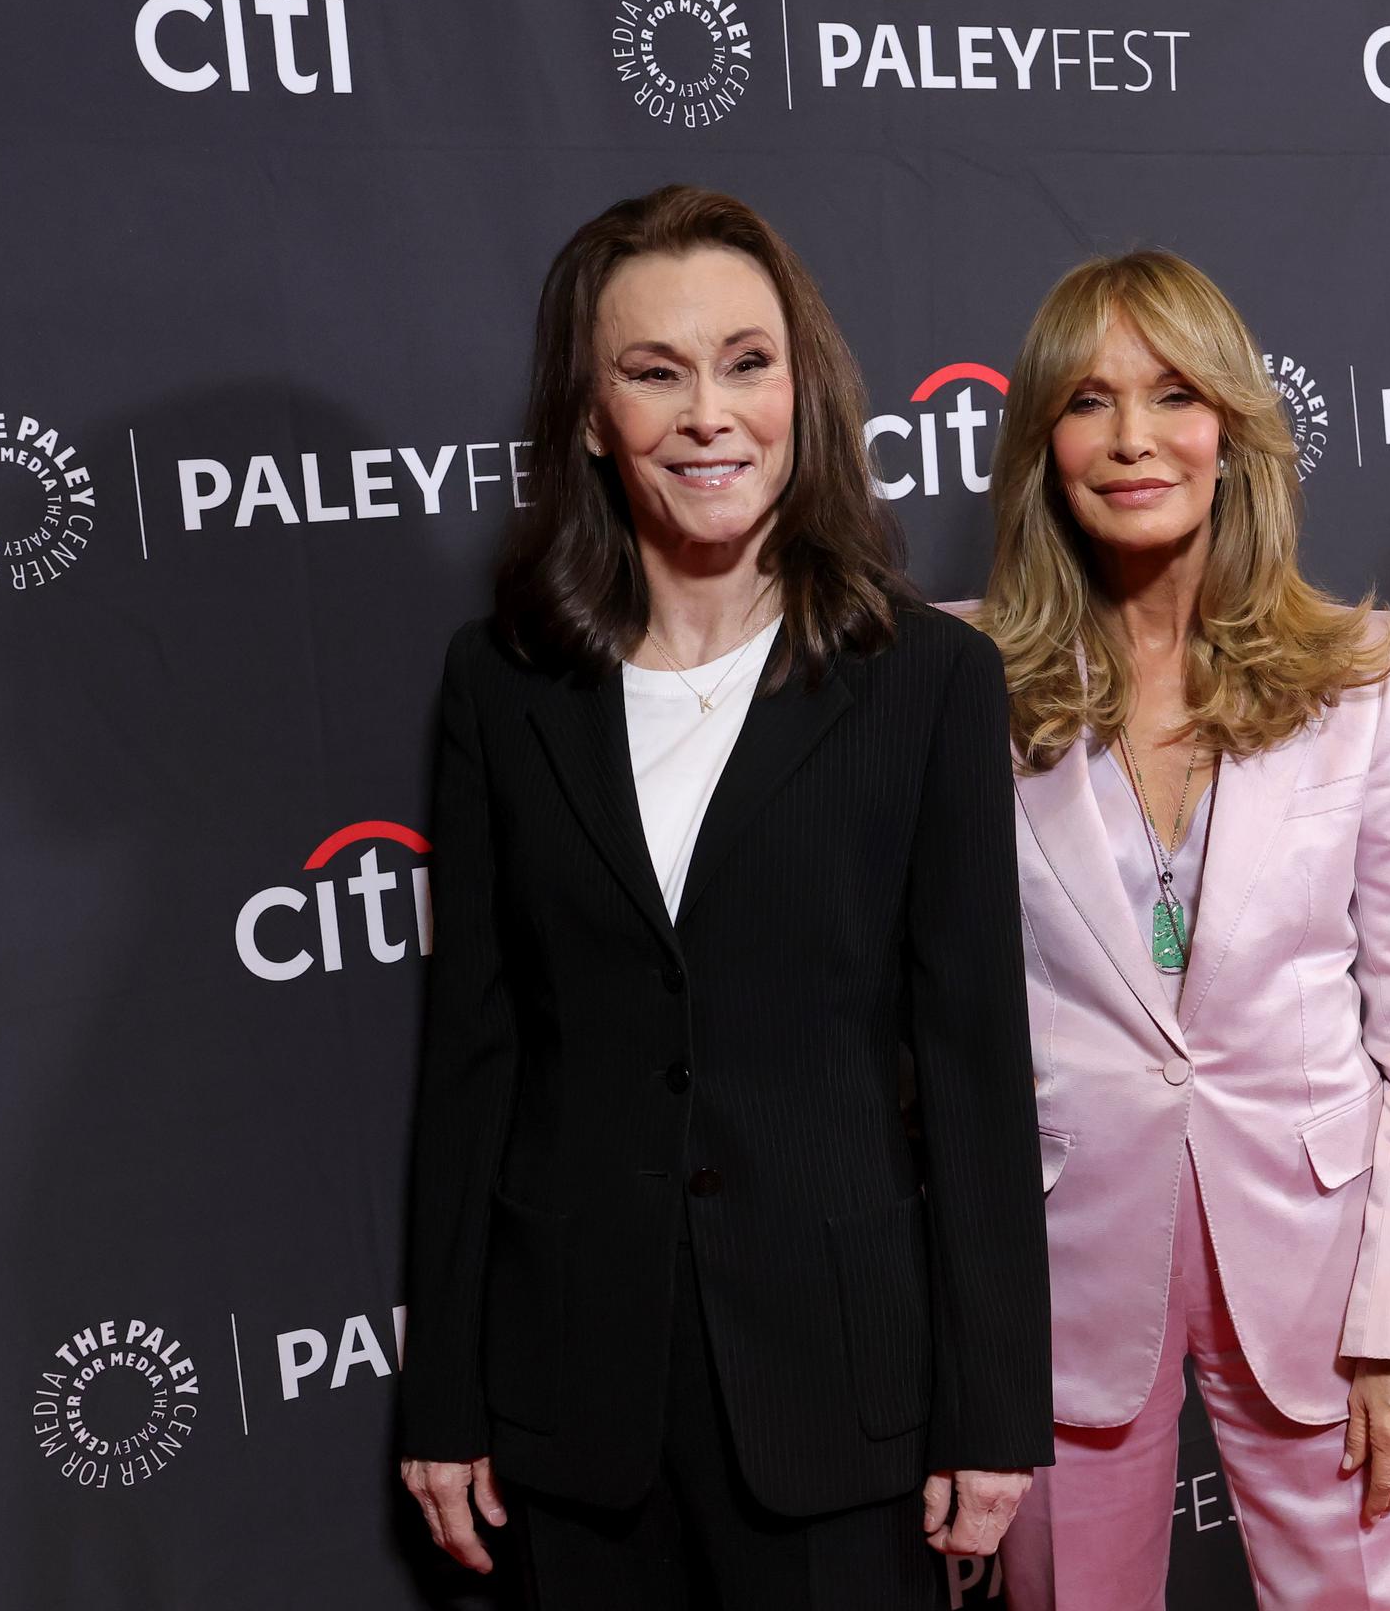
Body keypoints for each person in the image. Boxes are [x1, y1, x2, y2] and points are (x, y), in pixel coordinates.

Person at [395, 184, 1051, 1609]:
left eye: (748, 362)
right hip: (573, 1392)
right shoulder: (502, 688)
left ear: (802, 387)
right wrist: (442, 1388)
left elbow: (975, 1065)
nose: (711, 413)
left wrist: (993, 1411)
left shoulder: (927, 683)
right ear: (588, 415)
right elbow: (473, 1054)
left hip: (840, 1391)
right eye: (654, 371)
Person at [970, 249, 1390, 1610]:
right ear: (1041, 446)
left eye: (1175, 393)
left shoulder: (1367, 674)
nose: (1133, 438)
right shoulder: (960, 683)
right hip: (1062, 1275)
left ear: (1234, 430)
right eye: (1088, 402)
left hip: (1322, 1264)